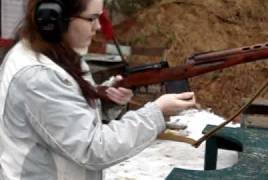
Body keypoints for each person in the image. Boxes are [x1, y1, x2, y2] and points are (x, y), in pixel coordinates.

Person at [0, 0, 196, 179]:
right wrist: (156, 113)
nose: (99, 27)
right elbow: (92, 148)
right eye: (92, 18)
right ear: (54, 19)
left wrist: (103, 101)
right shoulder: (38, 78)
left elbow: (65, 118)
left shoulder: (55, 55)